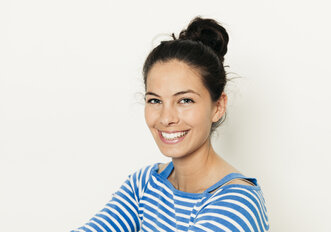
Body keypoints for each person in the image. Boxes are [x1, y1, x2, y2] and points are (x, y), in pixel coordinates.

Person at [71, 17, 270, 232]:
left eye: (185, 100)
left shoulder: (238, 204)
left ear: (218, 106)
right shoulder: (145, 184)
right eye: (155, 101)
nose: (166, 118)